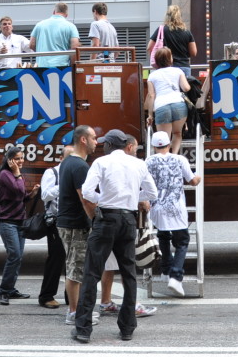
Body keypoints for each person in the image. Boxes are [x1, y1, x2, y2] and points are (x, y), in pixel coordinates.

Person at [72, 130, 158, 343]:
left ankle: (83, 328)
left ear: (109, 145)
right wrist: (131, 198)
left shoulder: (101, 163)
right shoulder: (138, 164)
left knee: (92, 272)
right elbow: (153, 194)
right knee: (129, 273)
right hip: (128, 220)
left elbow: (88, 192)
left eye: (104, 143)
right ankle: (127, 327)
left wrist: (105, 199)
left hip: (106, 219)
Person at [144, 130, 200, 297]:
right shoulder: (179, 159)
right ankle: (176, 276)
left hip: (157, 207)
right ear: (169, 144)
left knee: (163, 236)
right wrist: (199, 176)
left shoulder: (148, 161)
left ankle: (166, 269)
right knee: (182, 242)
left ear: (154, 147)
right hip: (176, 207)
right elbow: (193, 181)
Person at [56, 125, 99, 326]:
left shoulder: (68, 162)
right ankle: (74, 312)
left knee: (74, 267)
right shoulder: (80, 166)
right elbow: (86, 199)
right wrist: (96, 219)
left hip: (67, 222)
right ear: (83, 139)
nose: (96, 142)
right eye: (94, 138)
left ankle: (76, 309)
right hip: (75, 224)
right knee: (76, 268)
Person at [0, 146, 37, 306]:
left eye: (22, 157)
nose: (21, 161)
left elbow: (20, 196)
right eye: (17, 158)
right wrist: (17, 174)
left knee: (17, 258)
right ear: (10, 160)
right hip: (7, 222)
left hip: (20, 221)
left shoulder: (17, 175)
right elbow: (18, 190)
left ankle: (10, 289)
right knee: (14, 255)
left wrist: (30, 195)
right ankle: (3, 291)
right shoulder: (6, 174)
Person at [36, 147, 72, 310]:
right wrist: (63, 185)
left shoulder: (77, 172)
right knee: (56, 258)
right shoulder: (52, 173)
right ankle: (46, 296)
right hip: (56, 221)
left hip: (73, 221)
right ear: (61, 158)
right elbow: (45, 195)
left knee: (73, 260)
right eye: (69, 157)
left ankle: (70, 296)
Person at [145, 46, 191, 156]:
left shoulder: (152, 76)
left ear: (156, 60)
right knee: (177, 133)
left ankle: (165, 158)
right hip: (179, 105)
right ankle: (174, 156)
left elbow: (151, 95)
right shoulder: (178, 71)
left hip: (162, 107)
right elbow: (186, 88)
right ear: (170, 59)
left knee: (163, 138)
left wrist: (150, 114)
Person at [148, 4, 196, 78]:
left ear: (167, 16)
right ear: (180, 17)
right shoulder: (186, 32)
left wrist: (160, 56)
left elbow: (149, 47)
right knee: (184, 88)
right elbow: (193, 52)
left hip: (166, 68)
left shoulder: (161, 30)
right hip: (183, 67)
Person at [30, 2, 80, 68]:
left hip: (41, 66)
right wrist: (74, 66)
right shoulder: (71, 26)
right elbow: (75, 46)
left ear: (54, 12)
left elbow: (31, 45)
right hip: (62, 67)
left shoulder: (39, 25)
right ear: (66, 15)